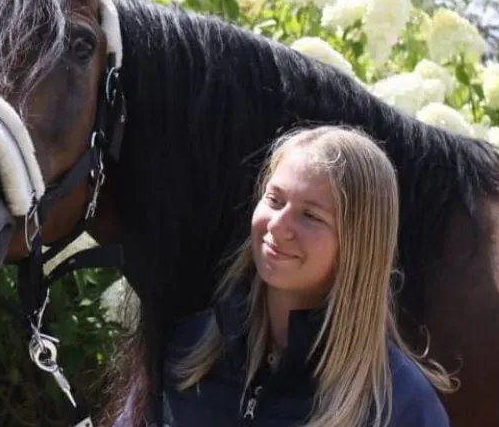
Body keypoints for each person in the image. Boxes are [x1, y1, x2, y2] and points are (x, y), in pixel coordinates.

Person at [155, 125, 456, 427]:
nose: (277, 225)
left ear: (358, 244)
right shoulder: (186, 349)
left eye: (310, 215)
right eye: (274, 200)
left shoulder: (399, 405)